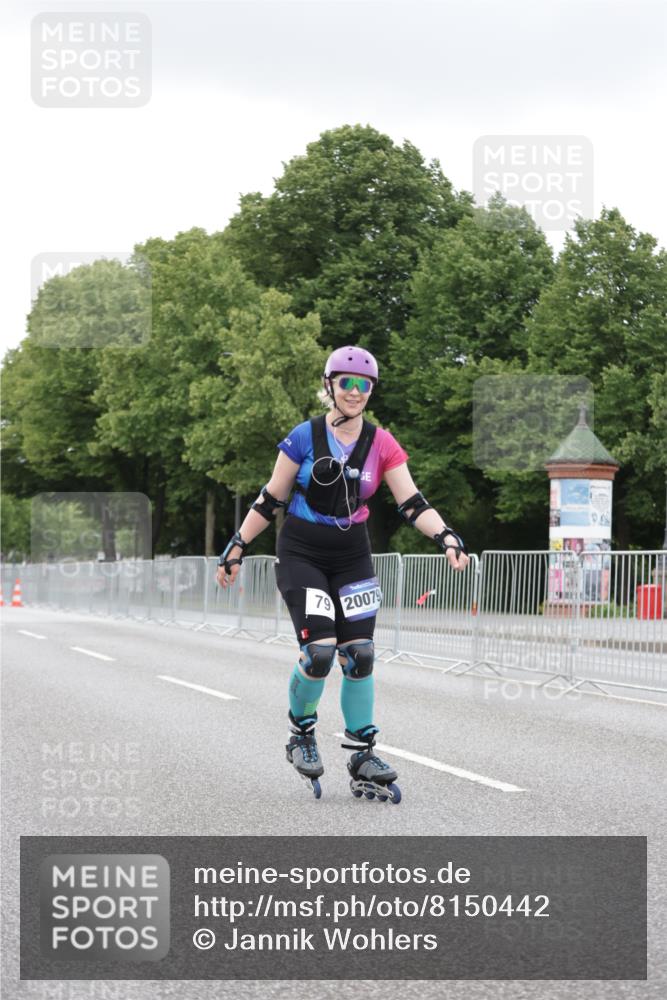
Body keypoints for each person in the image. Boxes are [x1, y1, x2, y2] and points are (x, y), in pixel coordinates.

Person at [216, 345, 469, 801]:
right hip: (302, 549)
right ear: (329, 385)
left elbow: (412, 503)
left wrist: (446, 537)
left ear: (371, 390)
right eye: (346, 383)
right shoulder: (304, 436)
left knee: (360, 653)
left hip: (352, 553)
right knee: (319, 653)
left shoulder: (382, 443)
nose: (355, 391)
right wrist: (237, 546)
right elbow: (271, 499)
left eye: (364, 385)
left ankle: (361, 753)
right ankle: (301, 733)